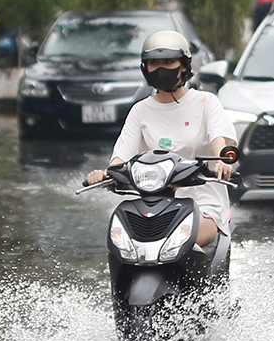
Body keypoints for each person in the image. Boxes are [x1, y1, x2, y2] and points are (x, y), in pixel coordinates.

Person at [85, 30, 236, 249]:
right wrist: (104, 174)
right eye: (154, 63)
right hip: (154, 204)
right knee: (122, 241)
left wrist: (222, 160)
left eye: (168, 61)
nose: (161, 68)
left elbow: (219, 140)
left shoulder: (205, 102)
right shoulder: (140, 111)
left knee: (183, 240)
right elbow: (120, 158)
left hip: (203, 203)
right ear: (145, 68)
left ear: (184, 65)